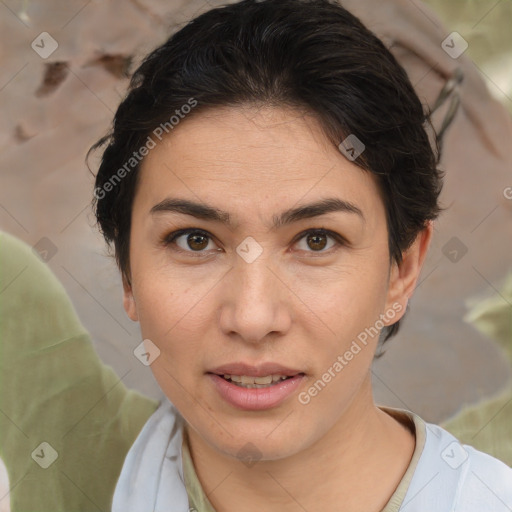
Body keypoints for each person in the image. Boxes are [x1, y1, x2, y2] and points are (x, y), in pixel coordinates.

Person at [0, 1, 510, 511]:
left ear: (403, 269)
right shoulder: (62, 472)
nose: (252, 317)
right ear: (126, 273)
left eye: (317, 240)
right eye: (194, 240)